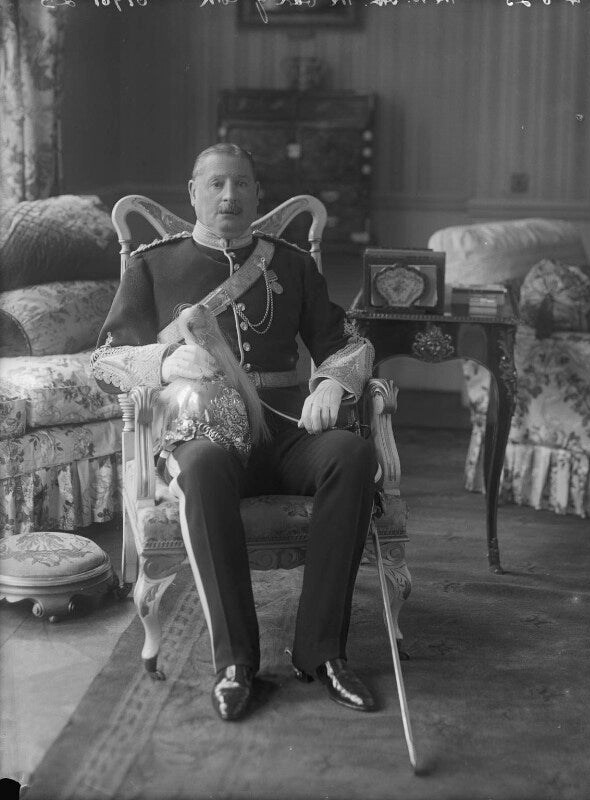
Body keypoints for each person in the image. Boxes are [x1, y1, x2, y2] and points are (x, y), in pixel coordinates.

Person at [92, 143, 380, 722]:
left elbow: (346, 344)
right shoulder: (152, 265)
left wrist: (331, 384)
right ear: (193, 192)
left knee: (351, 454)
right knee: (199, 467)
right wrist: (165, 360)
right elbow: (105, 361)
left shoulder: (292, 264)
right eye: (216, 184)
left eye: (242, 184)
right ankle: (235, 663)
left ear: (256, 194)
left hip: (285, 428)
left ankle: (323, 652)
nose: (230, 195)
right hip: (204, 429)